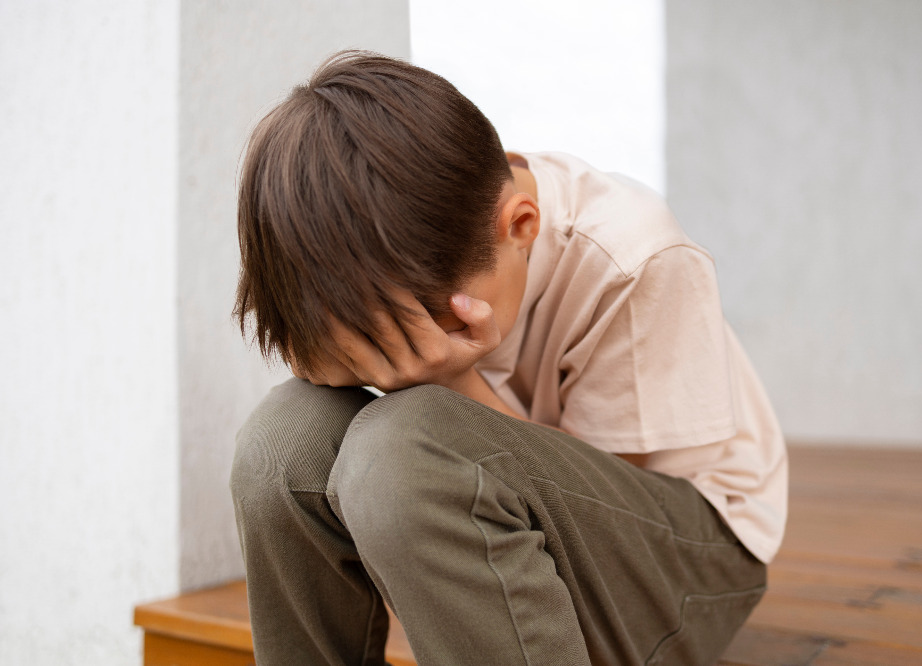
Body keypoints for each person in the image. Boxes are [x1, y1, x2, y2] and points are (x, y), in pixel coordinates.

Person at [230, 50, 787, 666]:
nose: (402, 359)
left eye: (430, 327)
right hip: (516, 517)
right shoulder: (417, 217)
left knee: (402, 452)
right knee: (283, 439)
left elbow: (595, 498)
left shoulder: (633, 254)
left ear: (520, 227)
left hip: (689, 554)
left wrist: (451, 378)